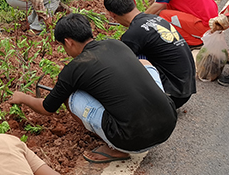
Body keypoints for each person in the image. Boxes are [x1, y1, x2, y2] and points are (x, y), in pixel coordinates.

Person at [10, 13, 177, 163]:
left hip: (130, 140)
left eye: (63, 45)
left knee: (71, 97)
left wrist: (23, 97)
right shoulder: (115, 44)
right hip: (167, 124)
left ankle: (116, 148)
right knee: (143, 63)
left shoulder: (74, 68)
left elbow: (47, 108)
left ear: (68, 42)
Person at [104, 0, 196, 110]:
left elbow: (117, 68)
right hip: (186, 88)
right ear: (134, 1)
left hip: (171, 95)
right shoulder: (157, 19)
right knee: (139, 53)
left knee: (125, 63)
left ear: (112, 14)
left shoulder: (132, 35)